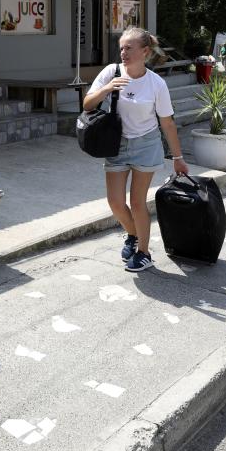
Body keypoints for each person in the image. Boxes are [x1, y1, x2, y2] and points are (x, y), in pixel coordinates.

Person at [83, 27, 189, 273]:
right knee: (116, 202)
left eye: (129, 47)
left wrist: (178, 158)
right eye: (121, 47)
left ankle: (144, 252)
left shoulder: (156, 83)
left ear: (145, 51)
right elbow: (87, 104)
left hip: (146, 144)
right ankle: (132, 234)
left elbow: (167, 122)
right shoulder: (111, 72)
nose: (123, 52)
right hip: (116, 144)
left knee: (137, 202)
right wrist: (107, 88)